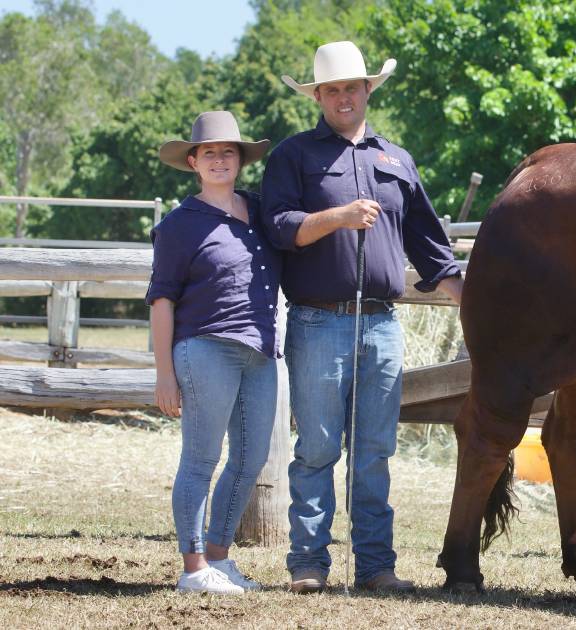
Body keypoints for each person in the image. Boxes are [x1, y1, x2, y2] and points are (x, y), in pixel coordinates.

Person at [263, 40, 464, 594]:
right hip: (316, 321)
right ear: (318, 97)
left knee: (375, 452)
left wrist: (472, 306)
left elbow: (428, 245)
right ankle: (308, 565)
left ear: (367, 89)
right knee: (319, 450)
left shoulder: (395, 159)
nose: (343, 97)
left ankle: (376, 566)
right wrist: (337, 217)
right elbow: (279, 227)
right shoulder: (294, 156)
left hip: (381, 325)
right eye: (332, 90)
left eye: (352, 86)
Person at [148, 111, 280, 594]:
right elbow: (162, 301)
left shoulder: (261, 212)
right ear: (193, 161)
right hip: (204, 348)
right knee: (201, 459)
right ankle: (193, 566)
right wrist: (164, 373)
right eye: (210, 153)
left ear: (240, 160)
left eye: (229, 152)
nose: (220, 159)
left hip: (261, 351)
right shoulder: (179, 226)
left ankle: (220, 560)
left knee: (251, 458)